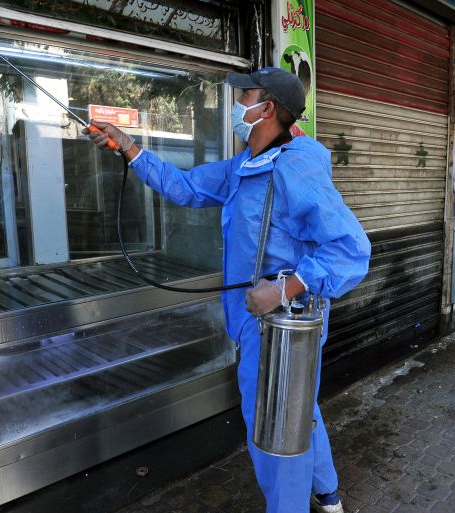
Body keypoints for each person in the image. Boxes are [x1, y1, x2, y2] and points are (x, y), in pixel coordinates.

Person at [87, 67, 371, 513]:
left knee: (275, 424)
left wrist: (284, 289)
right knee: (298, 408)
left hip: (281, 326)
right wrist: (129, 147)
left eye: (246, 96)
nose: (237, 104)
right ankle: (328, 494)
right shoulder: (245, 167)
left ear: (267, 109)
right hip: (256, 322)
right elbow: (185, 186)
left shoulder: (294, 167)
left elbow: (351, 249)